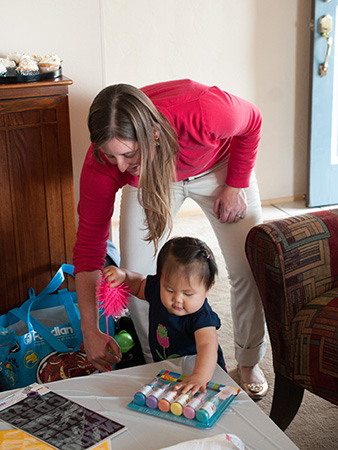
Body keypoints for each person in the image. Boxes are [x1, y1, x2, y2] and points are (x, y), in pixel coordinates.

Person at [73, 79, 268, 400]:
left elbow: (253, 121)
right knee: (135, 272)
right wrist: (90, 330)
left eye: (127, 153)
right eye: (111, 156)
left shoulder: (205, 111)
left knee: (248, 267)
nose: (120, 167)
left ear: (152, 133)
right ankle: (156, 365)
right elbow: (89, 249)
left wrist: (236, 184)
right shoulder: (104, 163)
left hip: (217, 164)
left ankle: (248, 360)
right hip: (153, 174)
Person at [103, 236, 226, 395]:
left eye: (188, 294)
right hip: (170, 369)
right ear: (160, 281)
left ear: (208, 288)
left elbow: (208, 347)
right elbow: (139, 284)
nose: (177, 299)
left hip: (203, 371)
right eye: (170, 290)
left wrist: (200, 376)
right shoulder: (156, 290)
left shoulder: (202, 317)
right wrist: (123, 276)